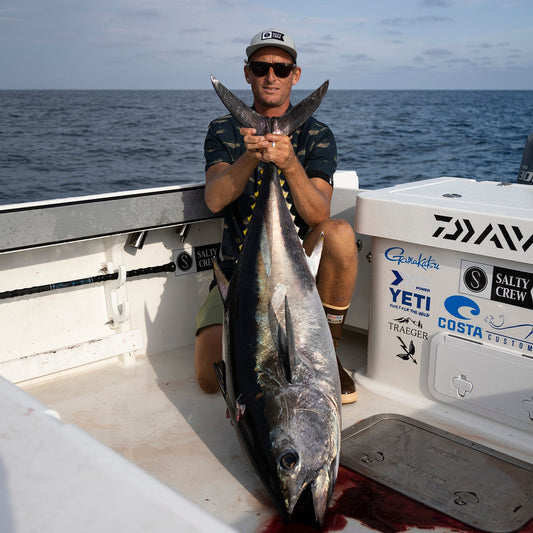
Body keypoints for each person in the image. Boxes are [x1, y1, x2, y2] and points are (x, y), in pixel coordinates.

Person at [194, 29, 358, 404]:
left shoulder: (317, 134)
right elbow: (215, 199)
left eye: (281, 69)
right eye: (261, 66)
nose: (271, 76)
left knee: (340, 233)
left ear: (294, 75)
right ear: (248, 72)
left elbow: (319, 212)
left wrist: (288, 162)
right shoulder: (222, 129)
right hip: (239, 270)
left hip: (299, 266)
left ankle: (328, 353)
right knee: (208, 377)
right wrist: (252, 156)